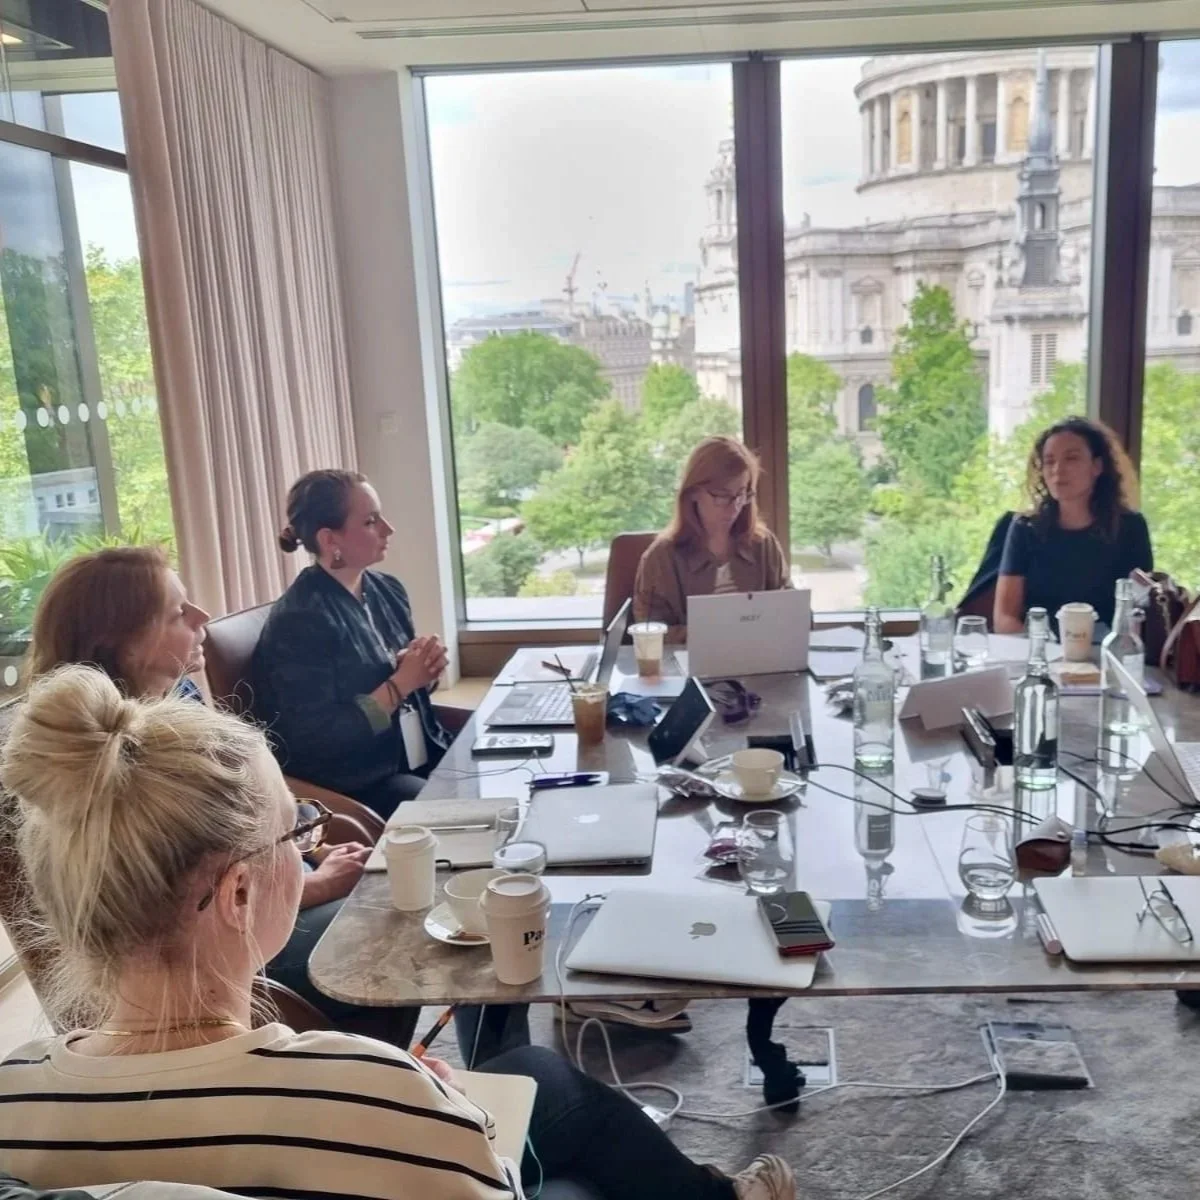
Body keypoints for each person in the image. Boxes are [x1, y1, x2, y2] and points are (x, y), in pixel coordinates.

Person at [0, 665, 795, 1200]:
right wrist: (436, 1109)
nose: (309, 844)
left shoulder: (10, 1101)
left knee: (526, 1068)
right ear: (240, 891)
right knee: (549, 1096)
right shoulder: (381, 1098)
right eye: (297, 831)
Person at [21, 546, 413, 1046]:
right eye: (176, 612)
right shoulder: (120, 771)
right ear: (122, 644)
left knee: (393, 898)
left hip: (255, 899)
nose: (202, 616)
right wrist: (314, 883)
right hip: (215, 957)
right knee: (393, 920)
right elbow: (172, 911)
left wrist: (302, 848)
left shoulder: (178, 698)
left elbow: (232, 829)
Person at [250, 469, 451, 822]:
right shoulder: (300, 620)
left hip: (412, 754)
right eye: (372, 521)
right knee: (460, 809)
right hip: (358, 783)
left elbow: (404, 682)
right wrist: (402, 682)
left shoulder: (387, 589)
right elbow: (321, 736)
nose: (388, 529)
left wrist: (424, 668)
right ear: (330, 540)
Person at [994, 417, 1153, 634]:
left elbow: (1141, 614)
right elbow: (1004, 617)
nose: (1058, 470)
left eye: (1072, 459)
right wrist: (1040, 655)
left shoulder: (1130, 527)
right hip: (1039, 654)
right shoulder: (1025, 528)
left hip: (1105, 655)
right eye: (1049, 461)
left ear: (1096, 466)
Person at [634, 436, 789, 642]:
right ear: (693, 493)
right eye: (722, 495)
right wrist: (711, 635)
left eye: (741, 494)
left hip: (758, 664)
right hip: (689, 667)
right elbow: (648, 632)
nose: (734, 507)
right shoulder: (662, 556)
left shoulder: (763, 544)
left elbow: (790, 609)